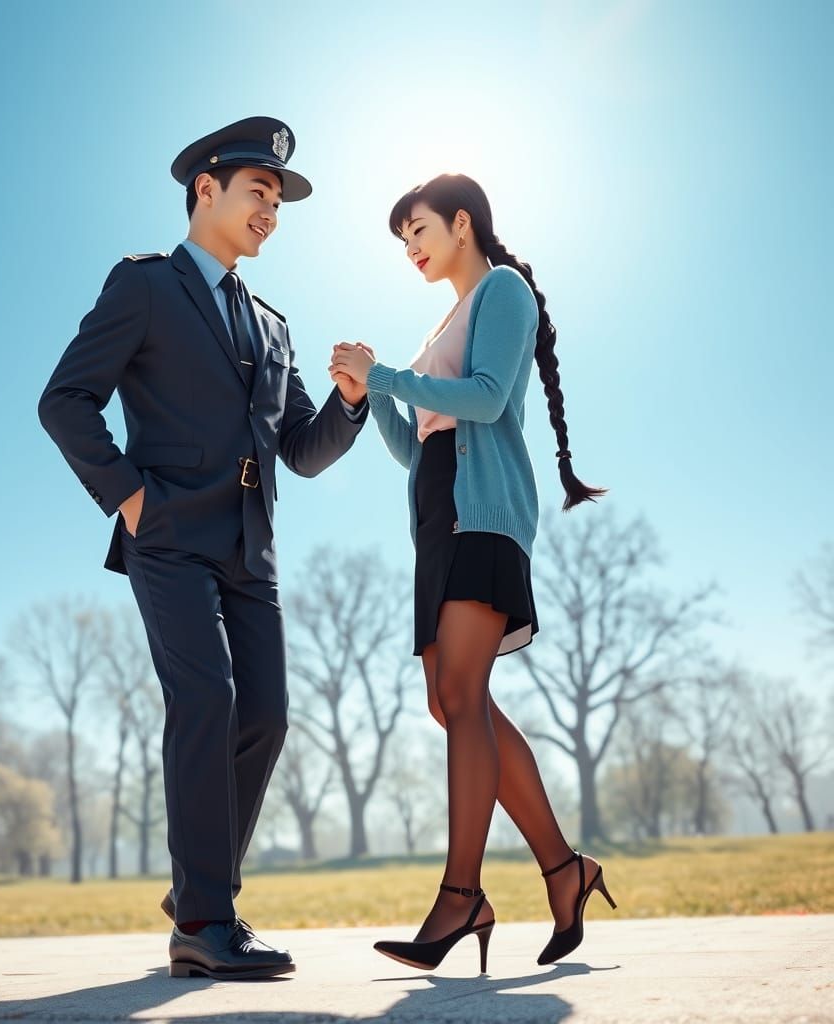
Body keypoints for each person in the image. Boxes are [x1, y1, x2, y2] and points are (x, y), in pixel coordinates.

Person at [39, 116, 369, 980]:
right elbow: (65, 401)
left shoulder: (274, 324)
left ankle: (198, 886)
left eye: (279, 199)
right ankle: (204, 918)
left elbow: (301, 449)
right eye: (260, 191)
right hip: (171, 538)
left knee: (265, 715)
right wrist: (129, 497)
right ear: (206, 190)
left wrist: (351, 403)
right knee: (208, 699)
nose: (272, 210)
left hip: (251, 553)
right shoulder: (145, 286)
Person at [329, 173, 613, 974]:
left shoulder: (503, 292)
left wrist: (387, 377)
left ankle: (462, 895)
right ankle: (566, 870)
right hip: (436, 518)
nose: (411, 248)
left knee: (460, 696)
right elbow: (415, 443)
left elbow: (486, 401)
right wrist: (370, 392)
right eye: (401, 240)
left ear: (462, 223)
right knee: (457, 702)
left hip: (482, 515)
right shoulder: (441, 322)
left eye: (417, 229)